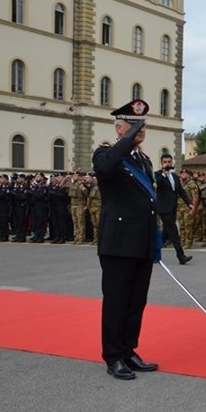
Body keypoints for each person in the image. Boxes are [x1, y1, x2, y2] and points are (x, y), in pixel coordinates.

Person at [92, 98, 160, 380]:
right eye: (133, 125)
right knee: (117, 300)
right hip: (118, 241)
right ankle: (113, 355)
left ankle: (129, 349)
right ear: (119, 128)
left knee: (136, 300)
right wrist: (128, 139)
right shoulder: (106, 154)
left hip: (141, 240)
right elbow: (105, 169)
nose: (140, 129)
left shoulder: (143, 159)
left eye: (142, 125)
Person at [154, 153, 193, 265]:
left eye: (169, 162)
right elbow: (157, 184)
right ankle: (181, 256)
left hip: (173, 208)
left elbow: (181, 191)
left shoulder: (175, 176)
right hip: (163, 209)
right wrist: (163, 173)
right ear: (161, 163)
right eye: (165, 162)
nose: (167, 164)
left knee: (166, 234)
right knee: (174, 232)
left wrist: (189, 203)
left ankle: (152, 252)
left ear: (172, 163)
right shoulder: (157, 175)